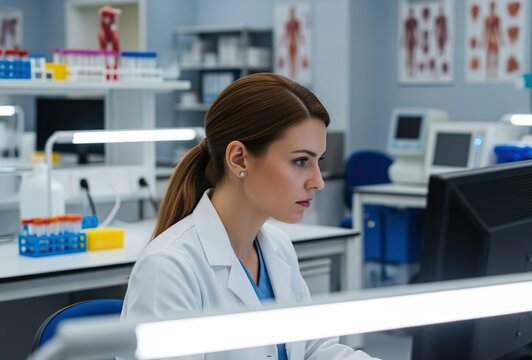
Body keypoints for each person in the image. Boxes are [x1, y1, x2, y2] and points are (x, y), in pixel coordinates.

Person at [121, 73, 376, 360]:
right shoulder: (168, 268)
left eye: (319, 162)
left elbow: (314, 347)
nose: (318, 181)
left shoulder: (277, 248)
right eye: (301, 161)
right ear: (239, 158)